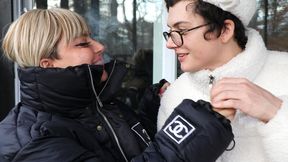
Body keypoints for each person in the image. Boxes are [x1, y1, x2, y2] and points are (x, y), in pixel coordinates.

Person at [0, 8, 233, 162]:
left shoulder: (97, 104)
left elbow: (127, 149)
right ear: (48, 64)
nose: (99, 46)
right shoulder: (34, 142)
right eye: (83, 44)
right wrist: (201, 124)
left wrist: (153, 107)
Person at [158, 0, 288, 162]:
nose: (170, 43)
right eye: (170, 32)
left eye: (182, 31)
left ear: (225, 30)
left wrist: (277, 114)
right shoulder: (174, 96)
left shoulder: (285, 73)